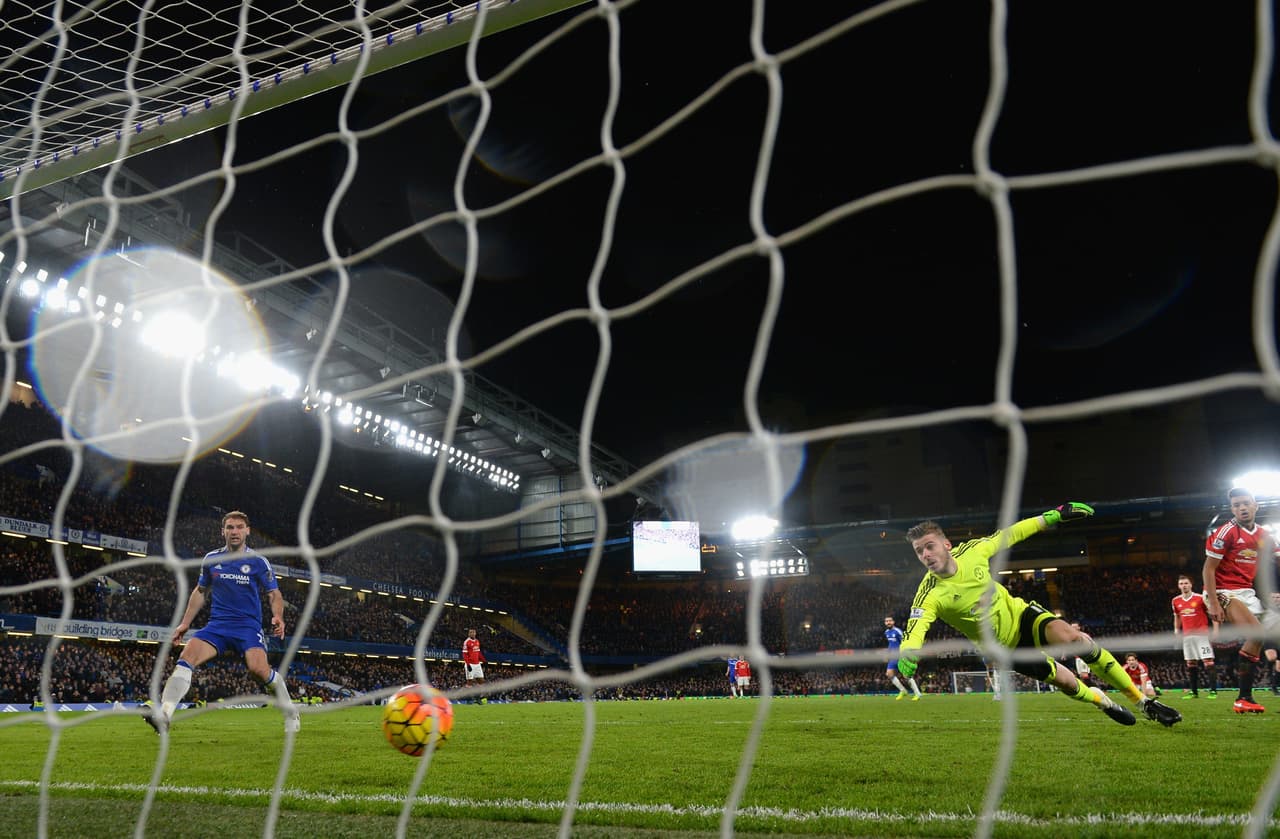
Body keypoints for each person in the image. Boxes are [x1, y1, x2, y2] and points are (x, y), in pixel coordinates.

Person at [897, 503, 1182, 728]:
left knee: (1075, 639)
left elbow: (1014, 532)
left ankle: (1143, 701)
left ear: (946, 545)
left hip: (1022, 616)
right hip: (1005, 648)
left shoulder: (973, 552)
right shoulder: (930, 593)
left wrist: (1054, 516)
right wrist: (909, 652)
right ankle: (1103, 702)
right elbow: (917, 625)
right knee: (1068, 682)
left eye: (929, 546)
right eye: (918, 551)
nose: (925, 554)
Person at [144, 511, 298, 734]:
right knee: (187, 657)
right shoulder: (211, 559)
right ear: (223, 531)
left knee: (258, 669)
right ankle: (165, 714)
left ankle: (291, 711)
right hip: (218, 625)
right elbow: (200, 591)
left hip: (248, 626)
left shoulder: (258, 562)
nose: (234, 531)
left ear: (247, 531)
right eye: (230, 527)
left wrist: (278, 616)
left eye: (238, 527)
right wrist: (185, 623)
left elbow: (274, 594)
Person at [1203, 487, 1280, 714]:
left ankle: (1243, 699)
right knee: (1256, 633)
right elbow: (1208, 569)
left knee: (1259, 638)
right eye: (1236, 505)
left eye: (1246, 503)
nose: (1242, 508)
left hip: (1246, 593)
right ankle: (1243, 697)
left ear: (1255, 505)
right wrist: (1214, 603)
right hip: (1223, 591)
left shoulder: (1264, 535)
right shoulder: (1225, 532)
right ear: (1232, 508)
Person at [1171, 573, 1219, 699]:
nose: (1184, 586)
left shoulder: (1200, 598)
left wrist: (1216, 630)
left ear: (1191, 585)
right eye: (1181, 584)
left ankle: (1213, 691)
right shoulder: (1175, 601)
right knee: (1191, 663)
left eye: (1186, 583)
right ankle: (1194, 692)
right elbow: (1177, 616)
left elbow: (1212, 613)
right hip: (1187, 637)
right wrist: (1176, 630)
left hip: (1202, 635)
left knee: (1208, 661)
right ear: (1178, 586)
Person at [883, 616, 921, 701]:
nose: (888, 622)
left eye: (890, 621)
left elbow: (905, 642)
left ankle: (918, 694)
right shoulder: (886, 632)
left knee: (906, 676)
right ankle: (903, 690)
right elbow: (891, 644)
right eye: (886, 621)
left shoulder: (898, 631)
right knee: (889, 674)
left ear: (893, 622)